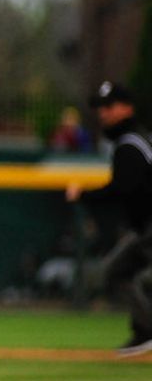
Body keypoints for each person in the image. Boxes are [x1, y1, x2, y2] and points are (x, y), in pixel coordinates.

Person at [66, 81, 152, 357]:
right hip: (143, 229)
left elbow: (122, 188)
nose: (103, 113)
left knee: (124, 273)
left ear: (127, 108)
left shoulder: (130, 145)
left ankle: (147, 331)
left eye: (109, 106)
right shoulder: (136, 141)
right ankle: (145, 331)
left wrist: (83, 195)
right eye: (100, 107)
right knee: (116, 271)